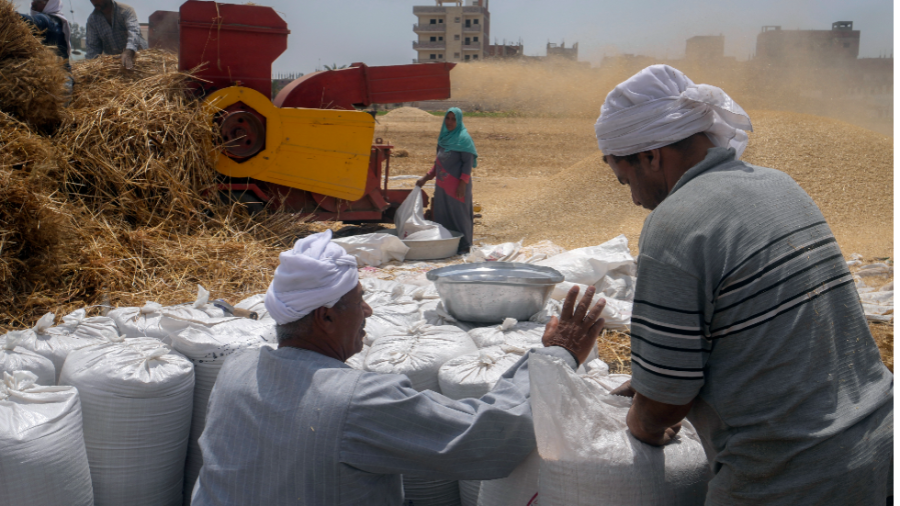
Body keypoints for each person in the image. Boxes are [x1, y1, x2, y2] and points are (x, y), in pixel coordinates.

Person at [595, 65, 894, 505]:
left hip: (787, 475)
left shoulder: (674, 224)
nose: (636, 198)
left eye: (627, 180)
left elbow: (664, 407)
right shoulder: (780, 185)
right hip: (875, 443)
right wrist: (655, 374)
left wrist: (641, 425)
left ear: (651, 156)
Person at [192, 230, 606, 505]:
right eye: (358, 301)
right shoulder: (355, 400)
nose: (369, 310)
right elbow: (489, 438)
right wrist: (557, 354)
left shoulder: (236, 369)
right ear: (326, 318)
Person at [416, 108, 477, 253]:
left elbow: (467, 165)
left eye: (453, 119)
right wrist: (425, 178)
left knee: (459, 216)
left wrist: (462, 184)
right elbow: (438, 163)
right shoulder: (443, 138)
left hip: (457, 187)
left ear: (459, 121)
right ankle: (447, 246)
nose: (450, 122)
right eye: (447, 118)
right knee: (442, 215)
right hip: (442, 187)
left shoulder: (464, 139)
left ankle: (464, 246)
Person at [84, 0, 147, 69]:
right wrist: (89, 67)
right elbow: (92, 48)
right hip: (116, 65)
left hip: (139, 58)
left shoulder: (125, 10)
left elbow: (134, 31)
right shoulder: (92, 20)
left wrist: (129, 51)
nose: (94, 2)